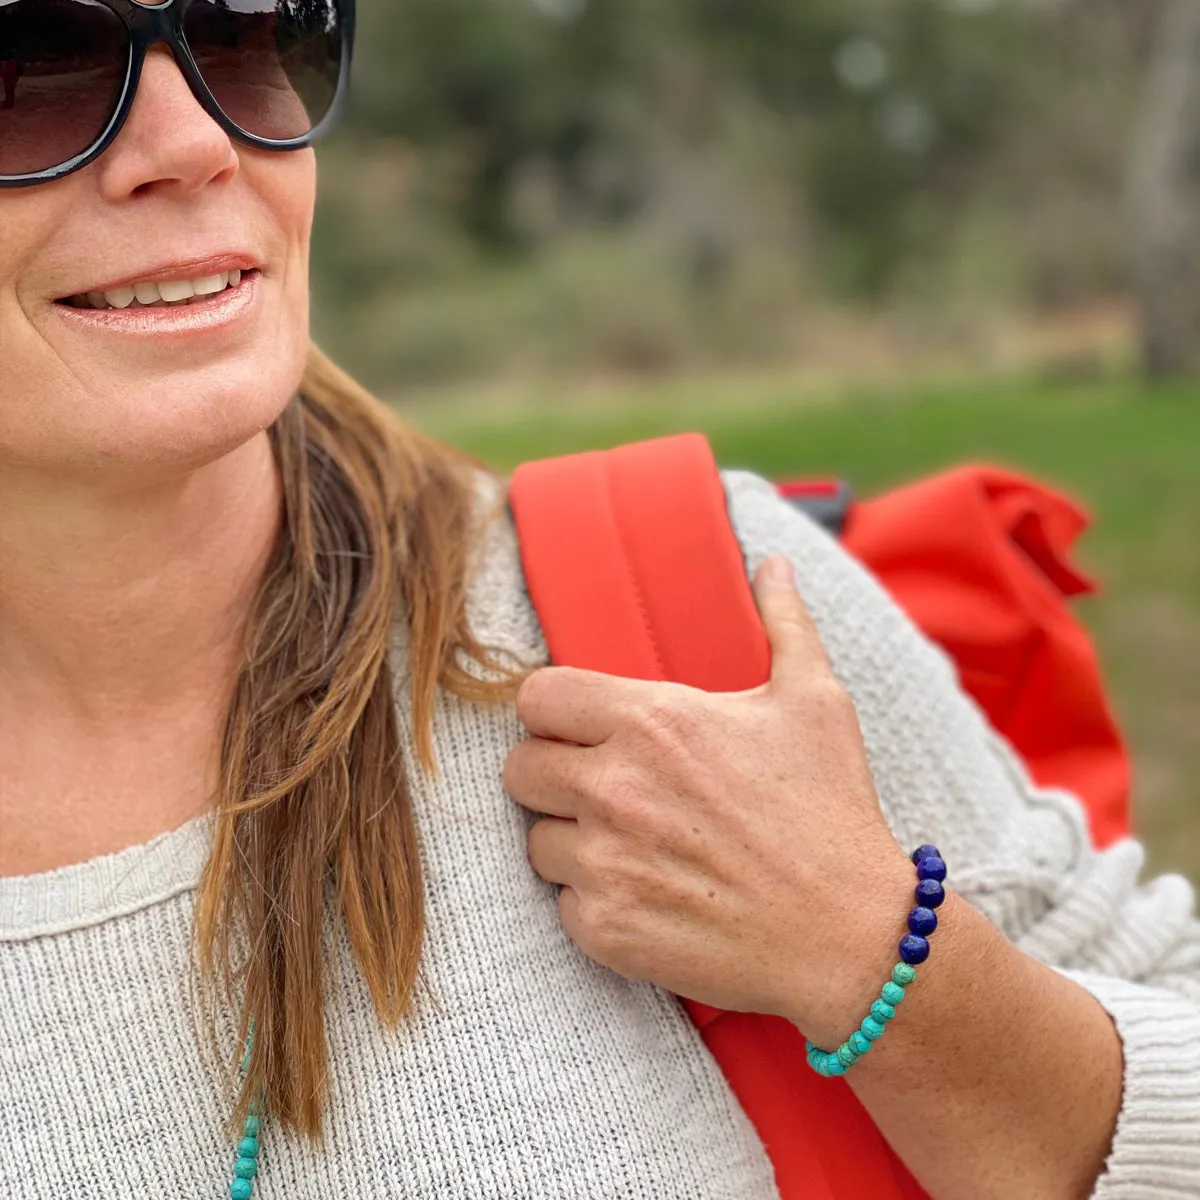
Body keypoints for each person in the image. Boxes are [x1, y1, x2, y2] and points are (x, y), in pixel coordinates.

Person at [1, 4, 1198, 1199]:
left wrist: (874, 952)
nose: (195, 140)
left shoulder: (675, 617)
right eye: (34, 58)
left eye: (243, 32)